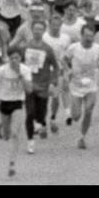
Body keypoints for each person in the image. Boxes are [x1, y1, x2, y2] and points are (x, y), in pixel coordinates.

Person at [0, 48, 33, 177]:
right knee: (6, 136)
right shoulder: (2, 70)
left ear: (21, 59)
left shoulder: (25, 70)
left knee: (15, 134)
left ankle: (12, 163)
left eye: (17, 58)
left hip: (17, 102)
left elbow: (29, 90)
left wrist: (19, 74)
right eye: (12, 58)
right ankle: (3, 127)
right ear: (8, 58)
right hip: (4, 101)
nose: (14, 60)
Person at [21, 21, 60, 155]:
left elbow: (55, 67)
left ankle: (41, 124)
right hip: (29, 85)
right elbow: (19, 63)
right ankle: (30, 141)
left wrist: (53, 82)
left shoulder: (48, 49)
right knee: (29, 113)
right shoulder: (25, 47)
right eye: (35, 29)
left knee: (41, 113)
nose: (37, 31)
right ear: (32, 30)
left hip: (43, 86)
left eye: (40, 29)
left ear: (44, 31)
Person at [66, 24, 99, 150]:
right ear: (81, 35)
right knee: (76, 116)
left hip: (91, 85)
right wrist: (68, 70)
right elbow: (64, 59)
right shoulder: (73, 48)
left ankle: (82, 137)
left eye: (91, 36)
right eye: (86, 36)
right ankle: (73, 112)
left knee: (89, 109)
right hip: (76, 85)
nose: (89, 38)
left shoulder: (98, 49)